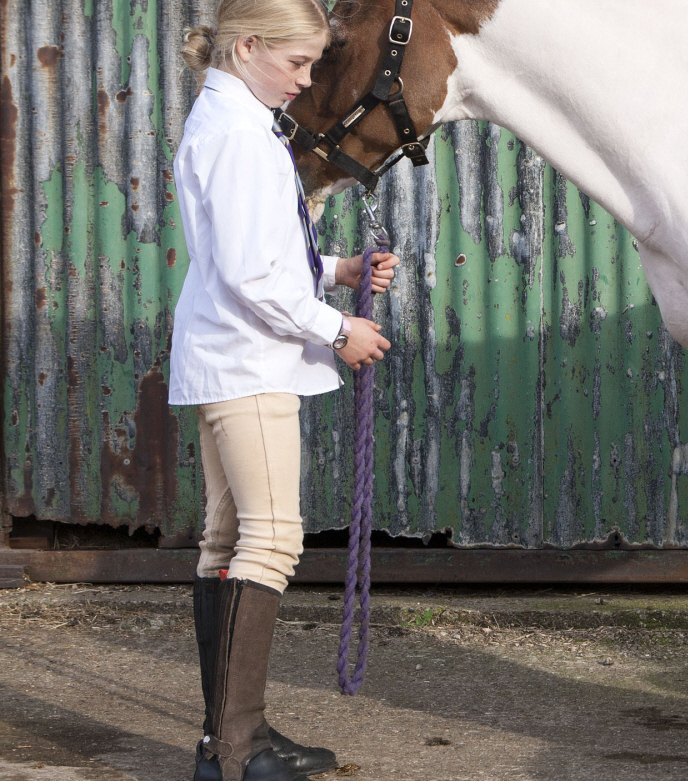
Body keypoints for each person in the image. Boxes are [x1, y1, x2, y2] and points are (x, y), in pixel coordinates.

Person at [172, 1, 398, 778]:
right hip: (249, 361)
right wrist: (338, 328)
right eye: (297, 64)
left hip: (230, 354)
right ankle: (236, 751)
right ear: (248, 48)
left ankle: (233, 737)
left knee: (225, 542)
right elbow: (249, 273)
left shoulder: (232, 118)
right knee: (270, 540)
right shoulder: (237, 134)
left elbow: (257, 248)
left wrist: (336, 270)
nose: (306, 83)